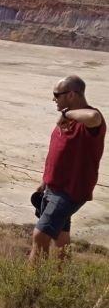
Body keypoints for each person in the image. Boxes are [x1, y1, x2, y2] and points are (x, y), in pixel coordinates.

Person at [29, 75, 105, 262]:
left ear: (71, 95)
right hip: (53, 187)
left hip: (70, 191)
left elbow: (95, 117)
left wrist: (66, 114)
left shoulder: (87, 118)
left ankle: (30, 287)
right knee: (61, 239)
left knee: (40, 236)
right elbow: (56, 152)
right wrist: (44, 181)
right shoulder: (67, 120)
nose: (53, 99)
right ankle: (59, 280)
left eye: (57, 94)